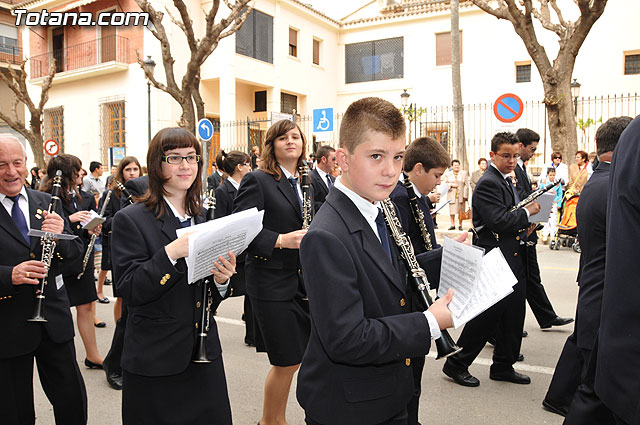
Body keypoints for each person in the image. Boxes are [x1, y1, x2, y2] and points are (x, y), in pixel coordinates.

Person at [297, 98, 454, 425]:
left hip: (387, 393)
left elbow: (395, 275)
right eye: (376, 156)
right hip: (350, 407)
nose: (391, 170)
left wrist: (450, 257)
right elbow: (346, 338)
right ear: (343, 158)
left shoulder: (380, 205)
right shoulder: (326, 235)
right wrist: (428, 322)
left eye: (398, 157)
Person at [111, 127, 236, 424]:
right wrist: (171, 254)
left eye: (192, 157)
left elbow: (206, 297)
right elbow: (129, 289)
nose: (186, 165)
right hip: (156, 360)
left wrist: (222, 281)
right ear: (157, 164)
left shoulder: (204, 216)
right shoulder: (130, 219)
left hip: (203, 354)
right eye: (174, 157)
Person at [543, 117, 631, 421]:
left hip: (594, 279)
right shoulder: (612, 184)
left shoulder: (598, 180)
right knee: (597, 384)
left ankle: (557, 397)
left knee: (585, 350)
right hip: (605, 285)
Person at [0, 135, 87, 424]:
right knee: (15, 411)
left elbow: (74, 256)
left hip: (53, 320)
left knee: (72, 402)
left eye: (16, 163)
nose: (11, 172)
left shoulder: (45, 201)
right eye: (1, 165)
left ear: (27, 164)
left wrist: (62, 233)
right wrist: (8, 275)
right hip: (8, 324)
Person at [443, 132, 541, 388]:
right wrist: (527, 213)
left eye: (514, 156)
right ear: (492, 155)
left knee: (514, 313)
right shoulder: (489, 183)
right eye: (506, 156)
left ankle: (503, 365)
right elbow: (498, 220)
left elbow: (511, 218)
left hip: (513, 254)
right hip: (495, 257)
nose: (511, 161)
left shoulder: (507, 180)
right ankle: (457, 363)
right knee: (486, 317)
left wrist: (528, 226)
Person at [233, 119, 312, 425]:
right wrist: (280, 240)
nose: (291, 141)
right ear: (272, 145)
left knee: (300, 357)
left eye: (296, 136)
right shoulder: (258, 180)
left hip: (303, 281)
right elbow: (239, 231)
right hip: (270, 283)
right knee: (286, 360)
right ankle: (271, 421)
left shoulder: (307, 182)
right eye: (283, 138)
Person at [390, 136, 464, 425]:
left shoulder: (415, 196)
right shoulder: (399, 197)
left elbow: (422, 244)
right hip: (408, 299)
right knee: (409, 373)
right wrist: (443, 256)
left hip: (418, 294)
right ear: (418, 169)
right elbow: (404, 261)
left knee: (415, 374)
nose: (438, 182)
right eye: (436, 175)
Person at [43, 154, 105, 369]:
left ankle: (93, 354)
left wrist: (93, 227)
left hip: (81, 259)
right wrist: (70, 219)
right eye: (77, 169)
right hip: (60, 260)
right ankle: (60, 357)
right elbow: (46, 224)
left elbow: (87, 229)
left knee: (86, 306)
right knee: (60, 309)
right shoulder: (48, 196)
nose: (81, 173)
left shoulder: (85, 197)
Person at [514, 128, 574, 331]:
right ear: (520, 145)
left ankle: (546, 316)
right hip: (521, 229)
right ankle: (503, 328)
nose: (533, 153)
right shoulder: (514, 168)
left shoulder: (521, 168)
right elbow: (519, 199)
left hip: (528, 226)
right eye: (531, 149)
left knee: (531, 277)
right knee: (520, 280)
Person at [99, 157, 141, 391]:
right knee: (126, 316)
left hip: (141, 255)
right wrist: (127, 215)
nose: (132, 173)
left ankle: (121, 362)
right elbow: (103, 222)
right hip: (122, 255)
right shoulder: (114, 195)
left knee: (131, 316)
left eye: (136, 169)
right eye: (128, 169)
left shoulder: (144, 190)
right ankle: (113, 364)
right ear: (121, 173)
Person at [213, 149, 254, 346]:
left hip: (246, 247)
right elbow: (220, 222)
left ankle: (252, 333)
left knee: (250, 289)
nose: (249, 168)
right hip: (232, 249)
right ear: (239, 167)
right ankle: (208, 309)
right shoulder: (223, 191)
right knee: (224, 289)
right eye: (247, 164)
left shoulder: (245, 187)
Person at [444, 159, 468, 230]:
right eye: (455, 165)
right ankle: (452, 224)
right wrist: (451, 185)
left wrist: (465, 195)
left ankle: (460, 225)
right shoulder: (448, 174)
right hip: (452, 193)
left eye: (457, 165)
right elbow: (445, 184)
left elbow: (466, 185)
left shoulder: (463, 173)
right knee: (452, 210)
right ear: (452, 166)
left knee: (461, 210)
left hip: (461, 195)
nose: (456, 167)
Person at [540, 167, 563, 243]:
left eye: (553, 175)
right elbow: (540, 191)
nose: (552, 177)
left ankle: (553, 234)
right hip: (546, 202)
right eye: (550, 175)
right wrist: (542, 185)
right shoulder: (544, 183)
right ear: (547, 175)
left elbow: (560, 194)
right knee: (545, 219)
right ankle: (545, 233)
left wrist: (559, 203)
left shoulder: (557, 184)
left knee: (553, 219)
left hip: (554, 203)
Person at [310, 145, 336, 211]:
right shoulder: (310, 178)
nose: (335, 162)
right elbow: (312, 204)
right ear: (324, 159)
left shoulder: (333, 179)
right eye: (333, 159)